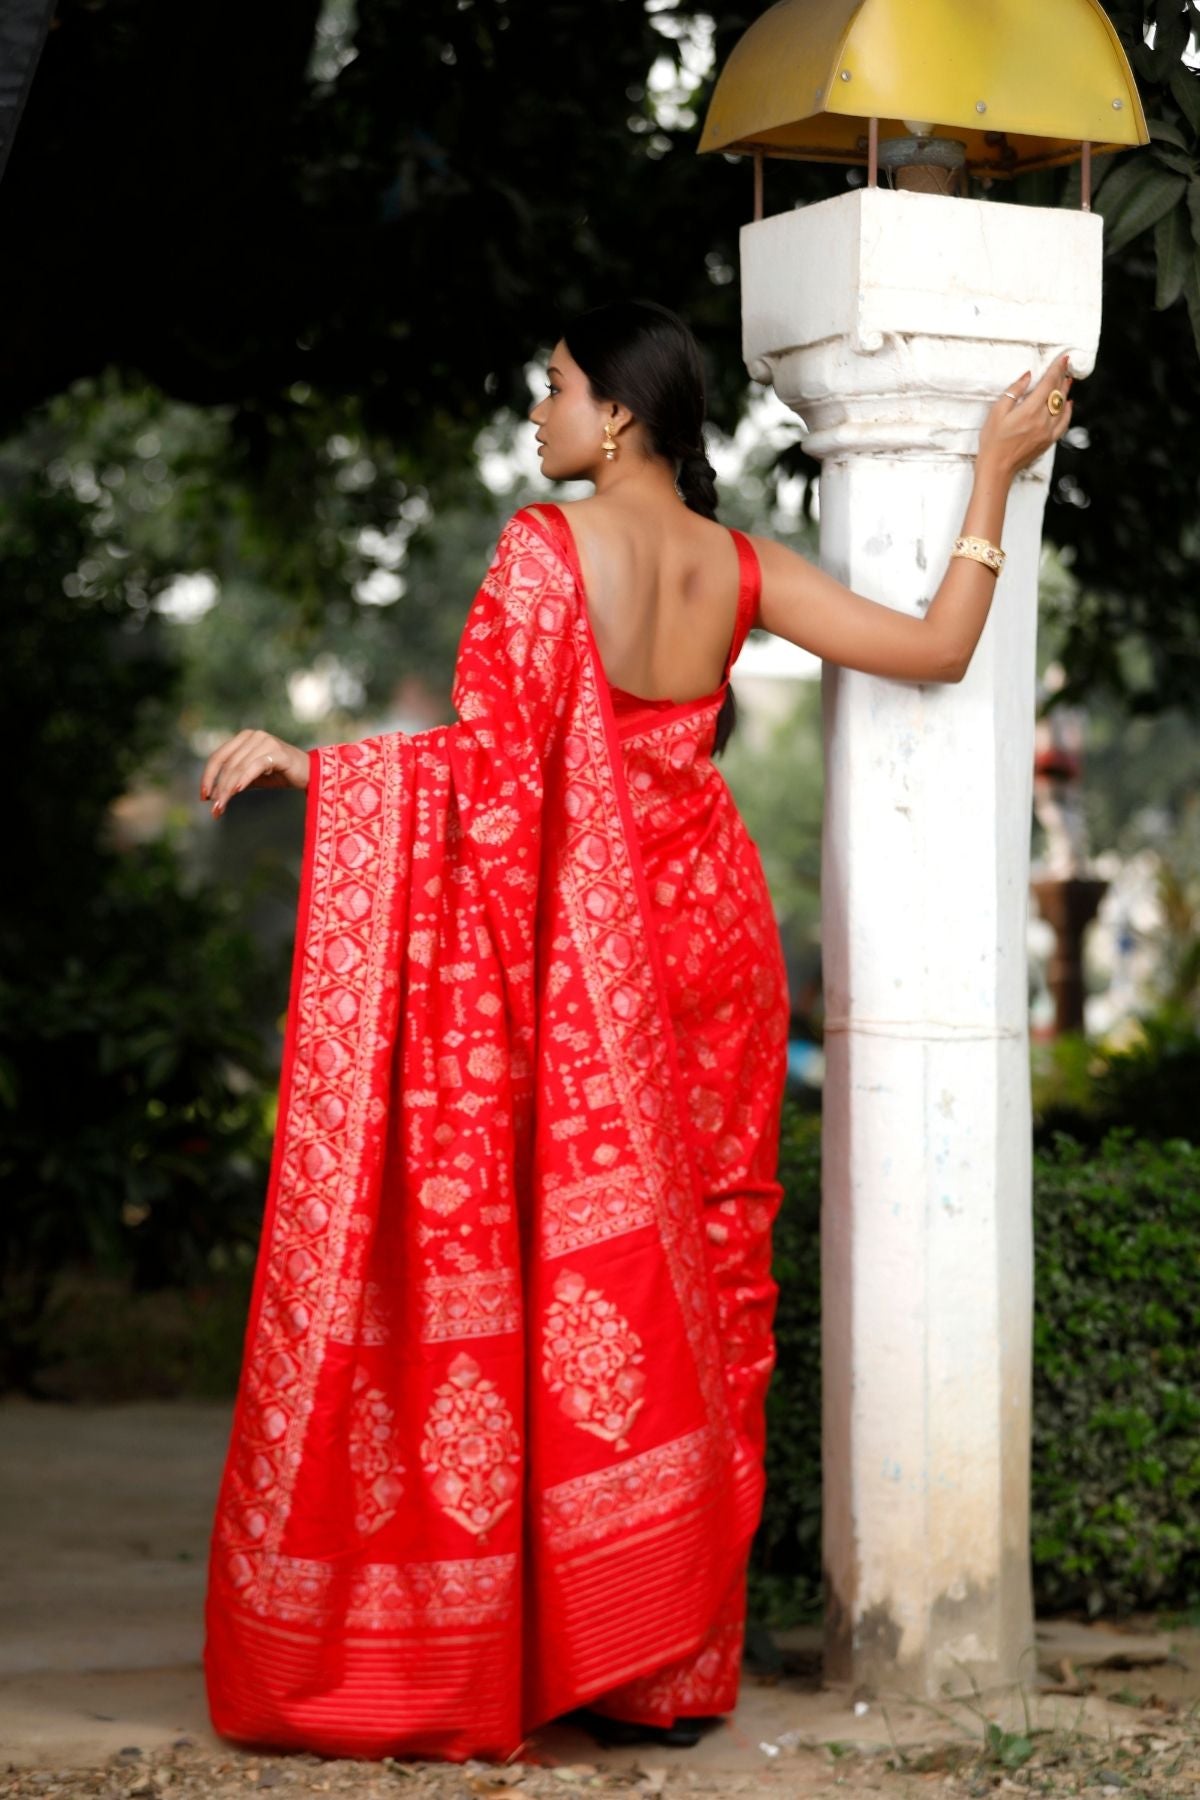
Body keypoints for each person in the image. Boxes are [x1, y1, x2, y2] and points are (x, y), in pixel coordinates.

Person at [200, 300, 1073, 1764]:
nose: (538, 413)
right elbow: (937, 645)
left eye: (552, 388)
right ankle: (665, 1663)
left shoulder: (544, 555)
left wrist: (325, 773)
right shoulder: (737, 568)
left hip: (585, 954)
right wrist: (994, 472)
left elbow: (488, 775)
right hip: (714, 939)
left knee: (564, 1263)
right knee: (705, 1275)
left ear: (617, 413)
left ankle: (556, 1638)